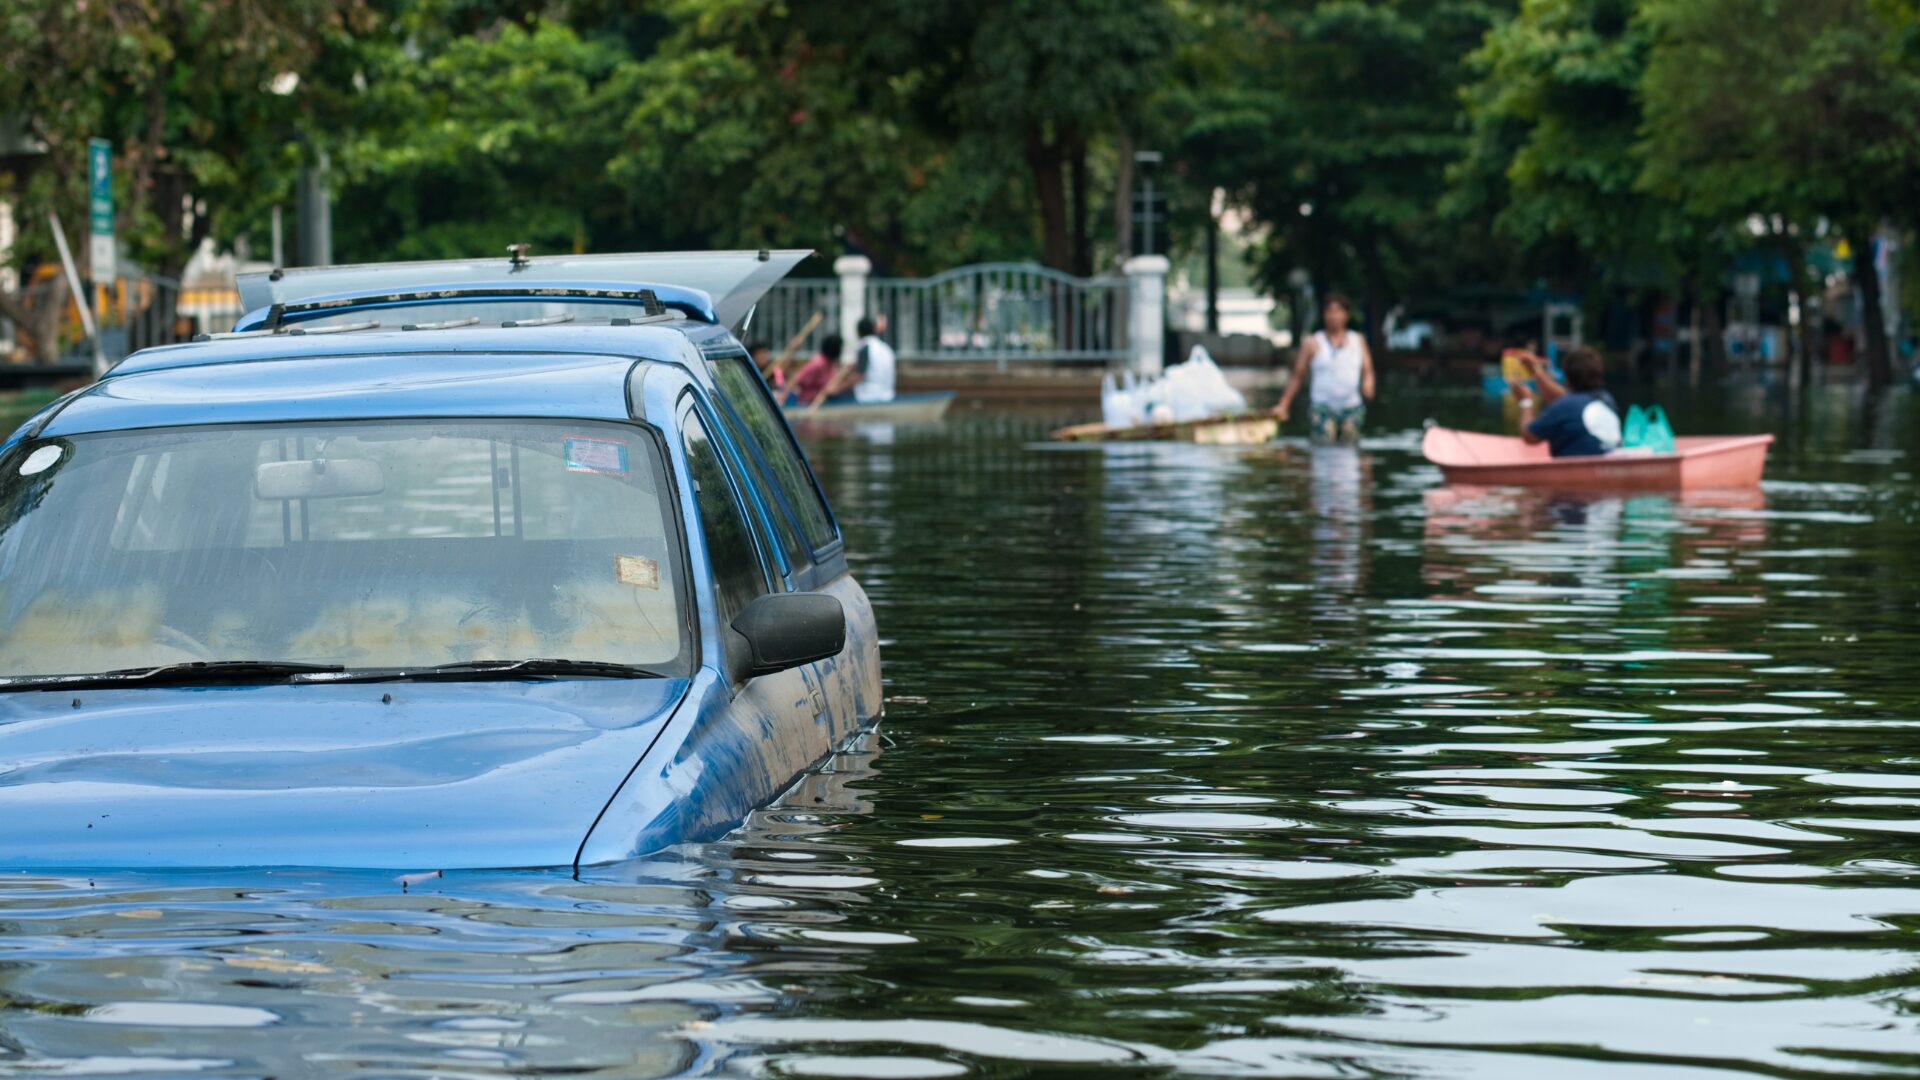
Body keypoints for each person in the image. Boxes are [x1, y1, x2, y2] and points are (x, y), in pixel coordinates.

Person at [1272, 294, 1375, 443]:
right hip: (1322, 406)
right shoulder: (1312, 342)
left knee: (1350, 444)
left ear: (1346, 315)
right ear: (1323, 315)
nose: (1334, 316)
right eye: (1329, 311)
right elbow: (1297, 376)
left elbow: (1368, 370)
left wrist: (1368, 385)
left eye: (1338, 311)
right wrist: (1284, 404)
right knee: (1324, 443)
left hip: (1351, 405)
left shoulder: (1357, 340)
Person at [1512, 345, 1621, 457]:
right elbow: (1567, 399)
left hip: (1577, 470)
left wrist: (1525, 401)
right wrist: (1536, 371)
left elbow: (1529, 436)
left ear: (1567, 376)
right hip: (1607, 464)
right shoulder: (1607, 399)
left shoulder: (1566, 406)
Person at [821, 315, 896, 404]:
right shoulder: (886, 348)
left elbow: (859, 376)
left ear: (859, 333)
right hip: (888, 395)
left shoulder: (865, 347)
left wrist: (836, 390)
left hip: (868, 397)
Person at [780, 333, 844, 406]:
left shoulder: (831, 364)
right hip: (807, 404)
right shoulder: (817, 364)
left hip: (824, 404)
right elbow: (796, 379)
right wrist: (783, 396)